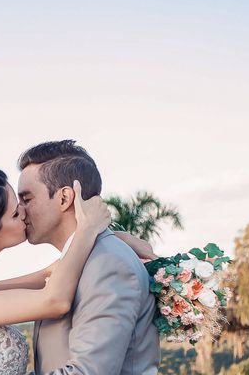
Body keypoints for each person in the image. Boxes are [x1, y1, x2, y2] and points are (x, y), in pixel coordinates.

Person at [0, 164, 155, 375]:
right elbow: (54, 300)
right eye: (16, 212)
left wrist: (112, 237)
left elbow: (50, 273)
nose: (24, 213)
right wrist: (87, 229)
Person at [18, 140, 161, 374]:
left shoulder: (108, 263)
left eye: (27, 199)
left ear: (64, 198)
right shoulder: (80, 260)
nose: (20, 211)